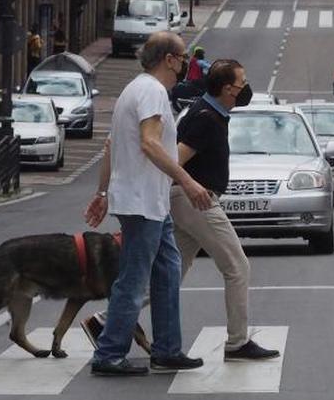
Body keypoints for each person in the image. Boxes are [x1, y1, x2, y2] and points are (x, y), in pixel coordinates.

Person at [82, 31, 212, 376]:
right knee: (134, 279)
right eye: (183, 58)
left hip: (149, 201)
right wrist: (188, 180)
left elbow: (111, 146)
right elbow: (150, 145)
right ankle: (109, 354)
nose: (187, 64)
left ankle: (167, 349)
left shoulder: (135, 88)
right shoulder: (153, 92)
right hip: (142, 202)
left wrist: (102, 193)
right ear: (169, 60)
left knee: (168, 270)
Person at [169, 60, 279, 361]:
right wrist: (192, 187)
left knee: (172, 272)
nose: (246, 88)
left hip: (189, 200)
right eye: (242, 83)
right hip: (198, 200)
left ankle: (108, 319)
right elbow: (176, 159)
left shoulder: (209, 113)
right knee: (237, 267)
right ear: (228, 89)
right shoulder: (206, 117)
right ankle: (237, 341)